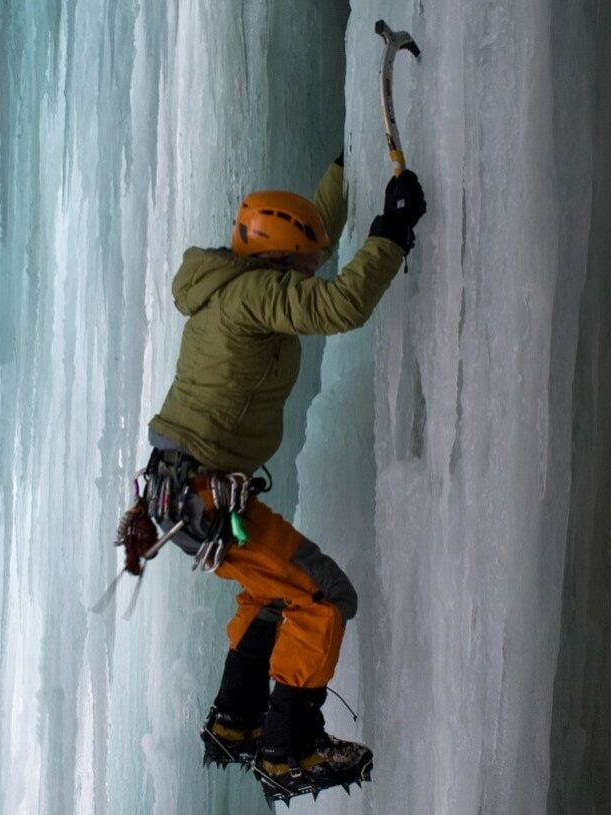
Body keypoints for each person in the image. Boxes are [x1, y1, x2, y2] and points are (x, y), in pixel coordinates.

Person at [140, 152, 426, 802]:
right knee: (322, 594)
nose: (313, 263)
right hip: (205, 494)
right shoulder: (255, 294)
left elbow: (310, 228)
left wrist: (342, 167)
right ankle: (290, 745)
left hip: (179, 493)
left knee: (271, 592)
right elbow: (342, 304)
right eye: (304, 259)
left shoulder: (234, 277)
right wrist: (393, 231)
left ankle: (236, 721)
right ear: (279, 258)